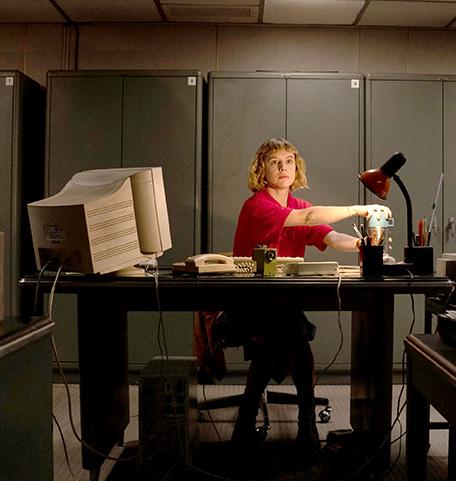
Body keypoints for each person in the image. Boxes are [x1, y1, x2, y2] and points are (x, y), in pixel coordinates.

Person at [228, 138, 392, 456]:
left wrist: (364, 244)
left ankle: (250, 424)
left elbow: (331, 237)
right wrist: (358, 209)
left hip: (282, 302)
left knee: (285, 333)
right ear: (261, 169)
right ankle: (305, 423)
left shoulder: (300, 205)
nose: (283, 167)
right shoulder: (257, 206)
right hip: (250, 301)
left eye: (288, 161)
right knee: (293, 336)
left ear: (296, 167)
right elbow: (307, 219)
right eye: (275, 162)